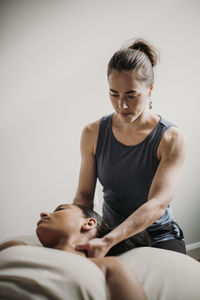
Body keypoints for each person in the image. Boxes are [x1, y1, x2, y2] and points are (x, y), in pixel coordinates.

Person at [73, 37, 187, 257]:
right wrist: (71, 229)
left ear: (150, 89)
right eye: (113, 94)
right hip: (109, 233)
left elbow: (157, 204)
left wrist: (108, 241)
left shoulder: (171, 138)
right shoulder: (92, 133)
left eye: (131, 95)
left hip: (158, 235)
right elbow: (84, 196)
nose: (121, 105)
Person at [0, 204, 147, 300]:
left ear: (89, 223)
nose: (43, 213)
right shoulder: (14, 246)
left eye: (59, 210)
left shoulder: (108, 266)